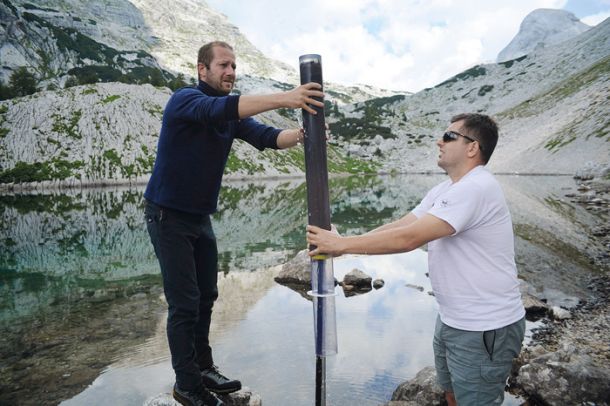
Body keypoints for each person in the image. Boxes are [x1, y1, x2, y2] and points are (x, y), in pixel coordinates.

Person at [144, 40, 324, 406]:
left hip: (198, 217)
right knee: (184, 303)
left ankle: (204, 367)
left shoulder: (231, 114)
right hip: (167, 215)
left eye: (234, 67)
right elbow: (222, 109)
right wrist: (286, 97)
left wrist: (303, 135)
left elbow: (269, 137)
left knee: (207, 296)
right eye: (223, 65)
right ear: (202, 69)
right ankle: (186, 385)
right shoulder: (186, 100)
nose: (230, 72)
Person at [307, 113, 526, 406]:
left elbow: (409, 240)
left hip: (483, 326)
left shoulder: (476, 187)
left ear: (472, 148)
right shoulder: (446, 189)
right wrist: (343, 242)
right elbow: (402, 226)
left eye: (449, 136)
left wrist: (342, 246)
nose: (440, 141)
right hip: (454, 319)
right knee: (451, 395)